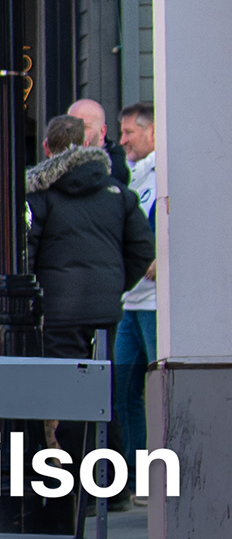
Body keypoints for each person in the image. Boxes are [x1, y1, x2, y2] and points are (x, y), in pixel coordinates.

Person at [24, 111, 152, 351]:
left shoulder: (39, 194)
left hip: (57, 311)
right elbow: (143, 248)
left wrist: (34, 297)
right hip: (106, 307)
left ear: (46, 147)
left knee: (63, 382)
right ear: (85, 144)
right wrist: (114, 282)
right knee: (103, 381)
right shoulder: (118, 193)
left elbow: (26, 252)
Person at [114, 103, 161, 477]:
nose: (123, 139)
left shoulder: (164, 174)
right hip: (129, 300)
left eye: (129, 132)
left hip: (157, 304)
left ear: (153, 132)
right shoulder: (129, 176)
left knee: (161, 390)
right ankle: (136, 475)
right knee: (122, 390)